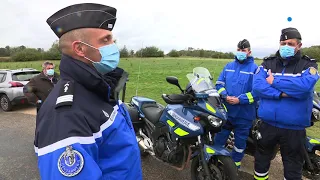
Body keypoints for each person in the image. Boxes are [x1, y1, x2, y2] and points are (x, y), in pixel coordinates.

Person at [33, 3, 142, 180]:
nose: (113, 46)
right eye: (105, 40)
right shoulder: (65, 116)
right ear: (80, 49)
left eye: (112, 40)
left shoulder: (98, 88)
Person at [253, 27, 319, 180]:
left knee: (293, 168)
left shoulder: (308, 65)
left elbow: (303, 88)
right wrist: (281, 93)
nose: (285, 46)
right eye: (283, 43)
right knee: (261, 162)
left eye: (290, 43)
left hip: (293, 129)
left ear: (299, 46)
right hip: (267, 125)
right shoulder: (268, 63)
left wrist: (274, 81)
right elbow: (257, 86)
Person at [214, 39, 259, 169]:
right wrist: (224, 95)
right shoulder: (228, 66)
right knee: (219, 138)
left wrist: (241, 100)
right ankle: (215, 161)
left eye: (243, 50)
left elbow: (256, 92)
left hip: (244, 114)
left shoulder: (255, 69)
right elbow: (219, 84)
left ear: (249, 52)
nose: (240, 52)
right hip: (226, 111)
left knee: (240, 142)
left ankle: (235, 165)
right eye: (239, 50)